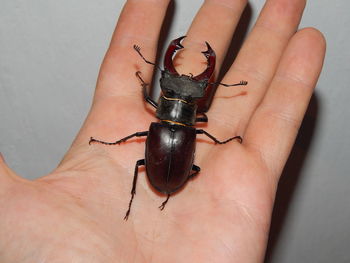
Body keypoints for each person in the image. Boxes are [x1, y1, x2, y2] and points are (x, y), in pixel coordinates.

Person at [0, 0, 325, 262]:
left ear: (162, 102)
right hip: (176, 172)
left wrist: (146, 86)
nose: (183, 91)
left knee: (139, 164)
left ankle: (133, 199)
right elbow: (205, 131)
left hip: (167, 172)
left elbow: (148, 101)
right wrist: (219, 139)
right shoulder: (195, 128)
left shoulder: (161, 121)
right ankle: (140, 197)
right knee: (158, 164)